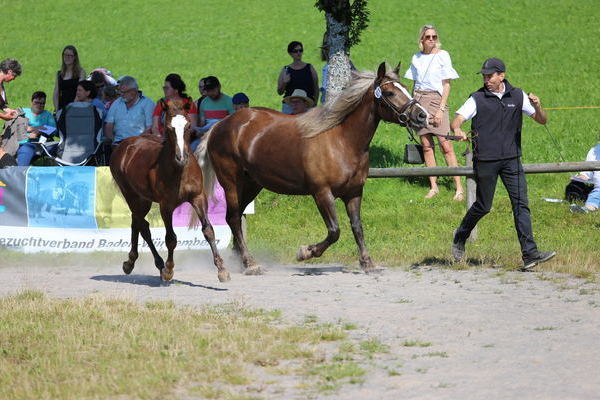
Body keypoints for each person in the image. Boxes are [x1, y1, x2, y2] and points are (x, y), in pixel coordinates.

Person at [450, 57, 555, 270]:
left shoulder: (518, 96)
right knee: (483, 206)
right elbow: (457, 119)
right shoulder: (477, 98)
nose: (486, 79)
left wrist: (538, 105)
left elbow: (542, 120)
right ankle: (460, 236)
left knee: (521, 205)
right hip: (486, 160)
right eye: (484, 76)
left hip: (512, 160)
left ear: (502, 76)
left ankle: (530, 254)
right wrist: (458, 129)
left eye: (490, 76)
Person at [404, 25, 463, 200]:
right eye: (428, 37)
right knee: (427, 147)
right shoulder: (416, 57)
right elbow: (415, 84)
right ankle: (433, 186)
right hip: (419, 100)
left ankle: (459, 187)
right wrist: (411, 108)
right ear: (421, 39)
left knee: (446, 145)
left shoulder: (443, 56)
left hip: (437, 100)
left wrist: (441, 109)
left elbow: (447, 84)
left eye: (434, 36)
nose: (431, 39)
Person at [104, 76, 155, 146]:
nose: (121, 95)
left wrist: (136, 142)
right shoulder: (117, 103)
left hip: (138, 144)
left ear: (134, 91)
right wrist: (112, 141)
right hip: (117, 143)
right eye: (119, 91)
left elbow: (149, 128)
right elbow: (109, 125)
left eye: (124, 92)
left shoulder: (147, 103)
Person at [192, 76, 234, 151]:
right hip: (207, 135)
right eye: (208, 91)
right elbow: (202, 123)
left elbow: (233, 123)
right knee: (193, 148)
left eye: (212, 90)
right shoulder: (204, 102)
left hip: (223, 134)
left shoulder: (229, 101)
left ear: (219, 87)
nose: (210, 93)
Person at [277, 41, 319, 114]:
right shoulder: (286, 70)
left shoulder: (309, 67)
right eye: (295, 51)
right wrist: (284, 82)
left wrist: (314, 103)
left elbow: (316, 87)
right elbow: (279, 92)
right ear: (290, 53)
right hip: (289, 106)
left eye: (300, 50)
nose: (298, 53)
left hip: (307, 105)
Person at [16, 91, 57, 166]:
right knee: (26, 150)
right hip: (26, 142)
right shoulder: (23, 112)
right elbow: (19, 127)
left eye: (42, 103)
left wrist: (38, 131)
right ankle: (21, 173)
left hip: (43, 143)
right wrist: (41, 128)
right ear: (32, 102)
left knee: (58, 148)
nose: (39, 105)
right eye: (36, 102)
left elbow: (53, 130)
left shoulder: (48, 114)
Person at [53, 45, 86, 111]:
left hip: (75, 106)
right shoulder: (59, 74)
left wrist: (72, 107)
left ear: (75, 57)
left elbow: (80, 91)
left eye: (70, 56)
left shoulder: (81, 72)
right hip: (62, 106)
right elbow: (56, 93)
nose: (67, 58)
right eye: (65, 55)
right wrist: (57, 110)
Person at [570, 142, 600, 213]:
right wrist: (579, 179)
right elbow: (586, 173)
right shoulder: (594, 151)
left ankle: (589, 208)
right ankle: (587, 208)